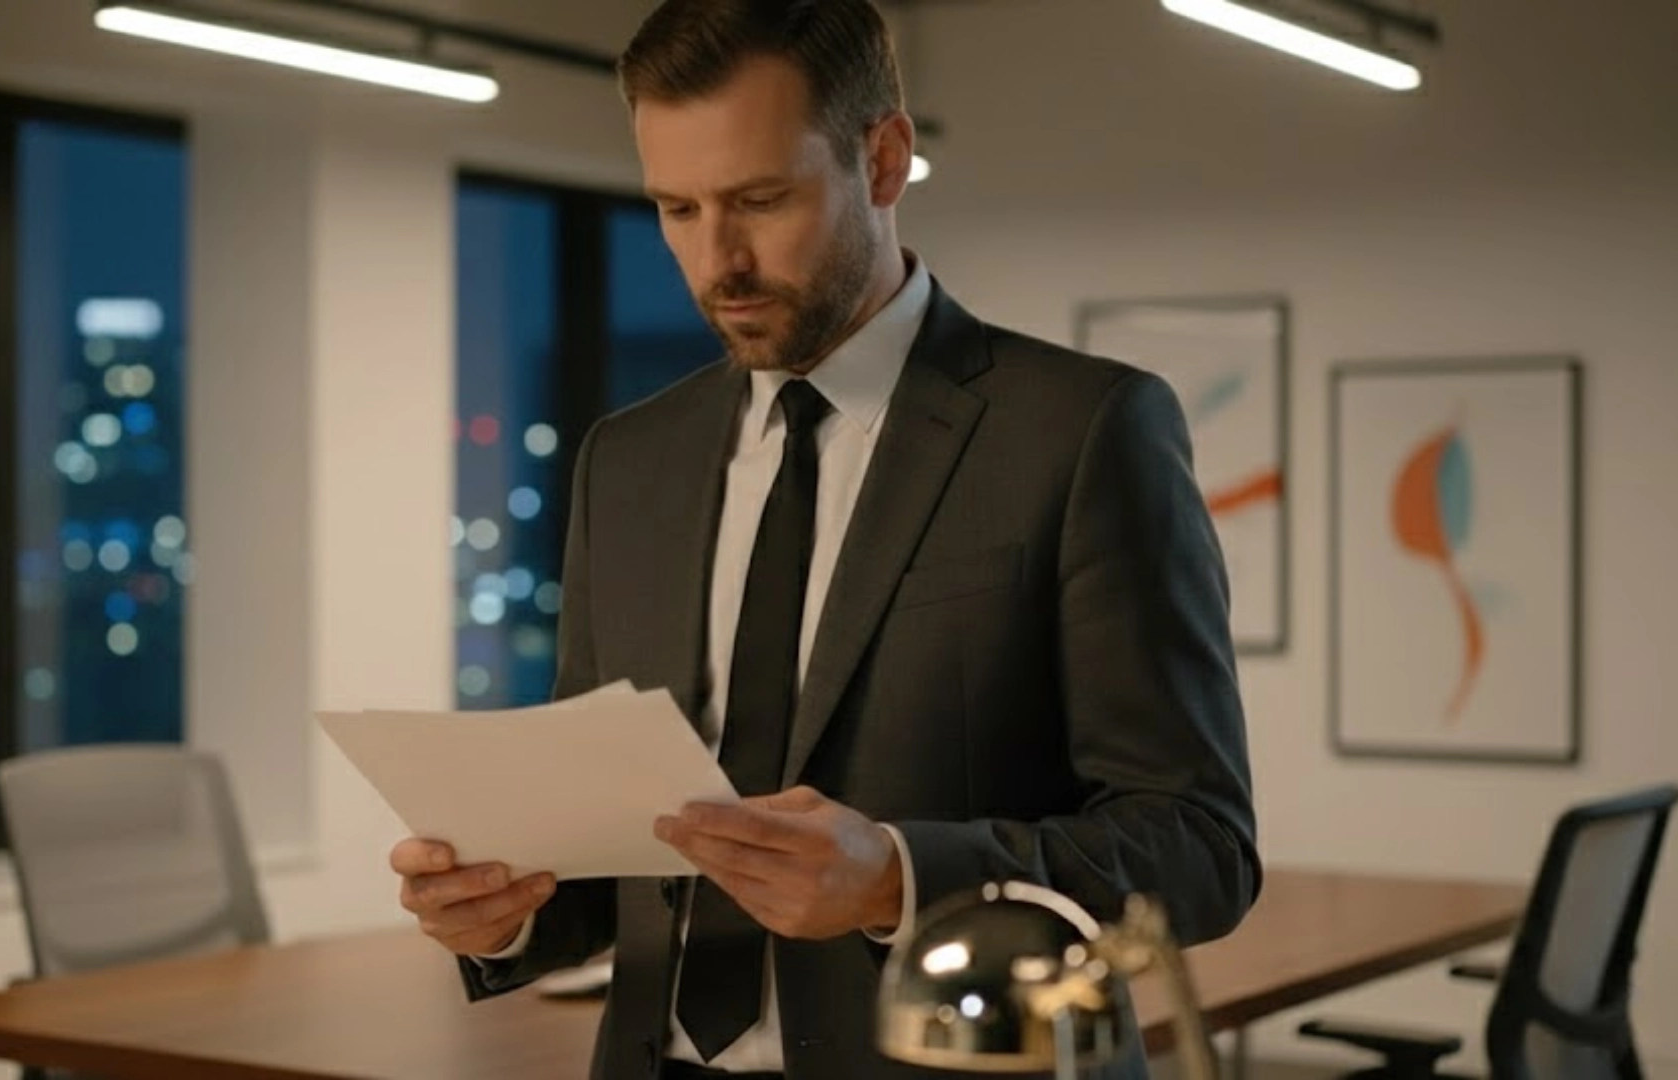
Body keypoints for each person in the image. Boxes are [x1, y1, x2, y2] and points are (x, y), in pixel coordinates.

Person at [388, 1, 1260, 1077]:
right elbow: (614, 857)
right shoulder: (628, 462)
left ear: (885, 158)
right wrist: (502, 911)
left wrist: (899, 877)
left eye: (761, 199)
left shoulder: (1083, 432)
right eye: (676, 208)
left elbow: (1201, 848)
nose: (720, 260)